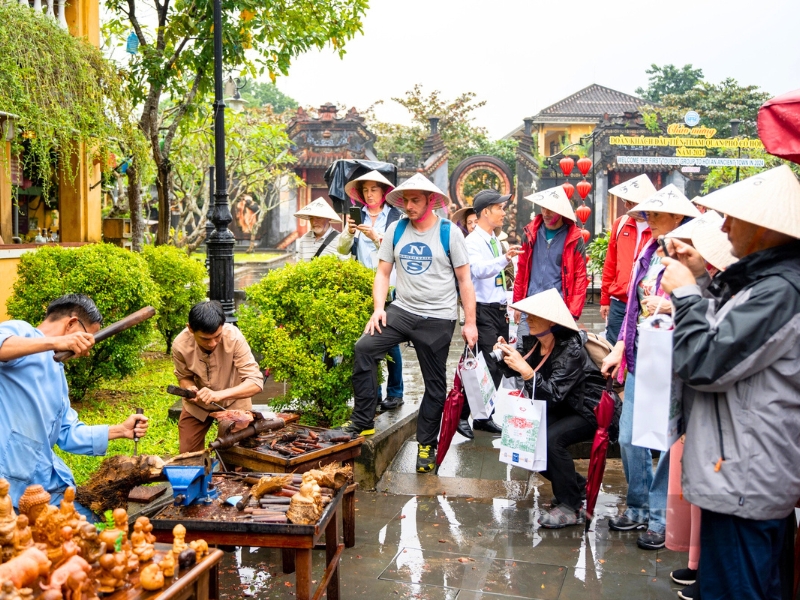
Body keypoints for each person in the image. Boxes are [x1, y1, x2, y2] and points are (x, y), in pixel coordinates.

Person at [659, 165, 800, 600]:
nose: (723, 227)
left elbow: (705, 362)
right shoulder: (770, 282)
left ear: (764, 227)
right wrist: (701, 279)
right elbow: (730, 335)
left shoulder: (780, 290)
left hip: (745, 477)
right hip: (746, 470)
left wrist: (686, 295)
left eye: (732, 219)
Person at [342, 174, 478, 473]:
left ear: (431, 201)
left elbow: (465, 280)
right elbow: (382, 272)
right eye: (406, 200)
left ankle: (426, 444)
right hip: (402, 310)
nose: (410, 206)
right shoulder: (396, 229)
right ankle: (363, 420)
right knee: (365, 348)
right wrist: (379, 309)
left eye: (416, 200)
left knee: (435, 385)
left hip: (438, 317)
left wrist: (470, 322)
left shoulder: (449, 232)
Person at [601, 184, 700, 550]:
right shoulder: (648, 251)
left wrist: (678, 304)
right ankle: (638, 505)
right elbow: (632, 308)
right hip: (642, 355)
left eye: (655, 215)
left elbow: (707, 302)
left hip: (675, 360)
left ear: (677, 216)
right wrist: (620, 346)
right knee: (629, 435)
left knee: (668, 439)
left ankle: (660, 516)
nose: (649, 220)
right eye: (646, 214)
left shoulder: (694, 254)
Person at [0, 294, 148, 518]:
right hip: (9, 488)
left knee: (93, 526)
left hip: (46, 482)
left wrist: (120, 430)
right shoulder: (22, 332)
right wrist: (55, 342)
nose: (86, 349)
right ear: (71, 324)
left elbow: (68, 433)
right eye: (87, 337)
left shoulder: (57, 372)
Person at [496, 289, 605, 528]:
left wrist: (525, 370)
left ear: (552, 322)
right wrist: (506, 356)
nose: (528, 320)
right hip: (564, 405)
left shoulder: (570, 348)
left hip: (589, 408)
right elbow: (521, 372)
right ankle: (575, 486)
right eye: (528, 315)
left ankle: (571, 507)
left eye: (535, 316)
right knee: (527, 441)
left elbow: (552, 392)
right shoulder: (535, 344)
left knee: (551, 441)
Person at [457, 190, 522, 438]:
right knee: (483, 364)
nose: (504, 213)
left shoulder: (495, 240)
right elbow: (478, 270)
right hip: (482, 311)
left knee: (496, 365)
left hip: (499, 310)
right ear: (486, 211)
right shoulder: (472, 242)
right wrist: (504, 259)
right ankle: (462, 415)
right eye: (500, 208)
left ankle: (484, 416)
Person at [338, 171, 405, 412]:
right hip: (362, 285)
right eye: (365, 190)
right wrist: (349, 232)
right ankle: (373, 393)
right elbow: (342, 250)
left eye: (373, 189)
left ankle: (395, 392)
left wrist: (377, 237)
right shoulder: (358, 216)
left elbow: (398, 250)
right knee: (367, 340)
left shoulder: (396, 217)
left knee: (391, 340)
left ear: (383, 192)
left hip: (389, 284)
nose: (369, 194)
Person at [171, 301, 264, 453]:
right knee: (188, 456)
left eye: (217, 336)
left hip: (234, 402)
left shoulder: (234, 338)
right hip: (198, 405)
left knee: (236, 455)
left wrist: (218, 395)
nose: (212, 343)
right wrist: (189, 389)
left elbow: (255, 382)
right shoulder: (180, 345)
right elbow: (184, 377)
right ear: (190, 329)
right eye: (205, 339)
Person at [514, 186, 587, 335]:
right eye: (543, 208)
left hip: (557, 307)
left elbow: (580, 277)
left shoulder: (574, 238)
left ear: (561, 212)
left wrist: (573, 312)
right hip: (530, 303)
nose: (546, 213)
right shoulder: (530, 234)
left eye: (551, 209)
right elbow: (522, 270)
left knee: (554, 348)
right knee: (524, 345)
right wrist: (517, 303)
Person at [601, 175, 655, 344]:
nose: (626, 206)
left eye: (630, 202)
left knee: (641, 347)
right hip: (620, 300)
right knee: (613, 346)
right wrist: (605, 299)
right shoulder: (621, 224)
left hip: (645, 301)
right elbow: (610, 263)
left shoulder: (657, 227)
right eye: (626, 201)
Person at [294, 198, 348, 262]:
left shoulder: (340, 240)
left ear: (329, 218)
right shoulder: (304, 238)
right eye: (311, 218)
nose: (314, 222)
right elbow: (299, 264)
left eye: (318, 218)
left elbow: (346, 266)